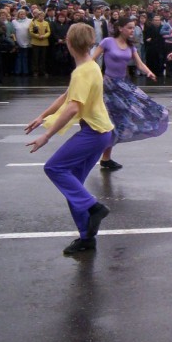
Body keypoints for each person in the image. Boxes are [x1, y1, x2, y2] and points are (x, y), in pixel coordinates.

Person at [25, 23, 114, 255]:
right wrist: (42, 116)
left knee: (54, 168)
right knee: (72, 185)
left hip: (94, 133)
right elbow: (67, 96)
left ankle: (95, 208)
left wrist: (47, 135)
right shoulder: (90, 67)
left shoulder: (83, 72)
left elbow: (73, 107)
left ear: (68, 42)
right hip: (101, 132)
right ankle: (87, 238)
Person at [91, 17, 169, 171]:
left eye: (133, 28)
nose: (132, 31)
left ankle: (106, 158)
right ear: (120, 28)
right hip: (108, 86)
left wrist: (149, 72)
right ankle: (100, 156)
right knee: (109, 122)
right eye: (129, 28)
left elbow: (139, 64)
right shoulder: (107, 42)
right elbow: (93, 59)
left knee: (121, 120)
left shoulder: (130, 47)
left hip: (123, 85)